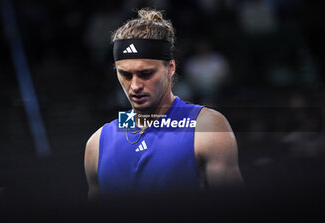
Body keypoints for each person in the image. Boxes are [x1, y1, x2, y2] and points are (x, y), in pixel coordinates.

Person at [84, 8, 243, 199]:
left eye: (146, 74)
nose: (135, 86)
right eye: (125, 74)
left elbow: (236, 215)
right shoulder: (97, 143)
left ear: (170, 69)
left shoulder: (207, 127)